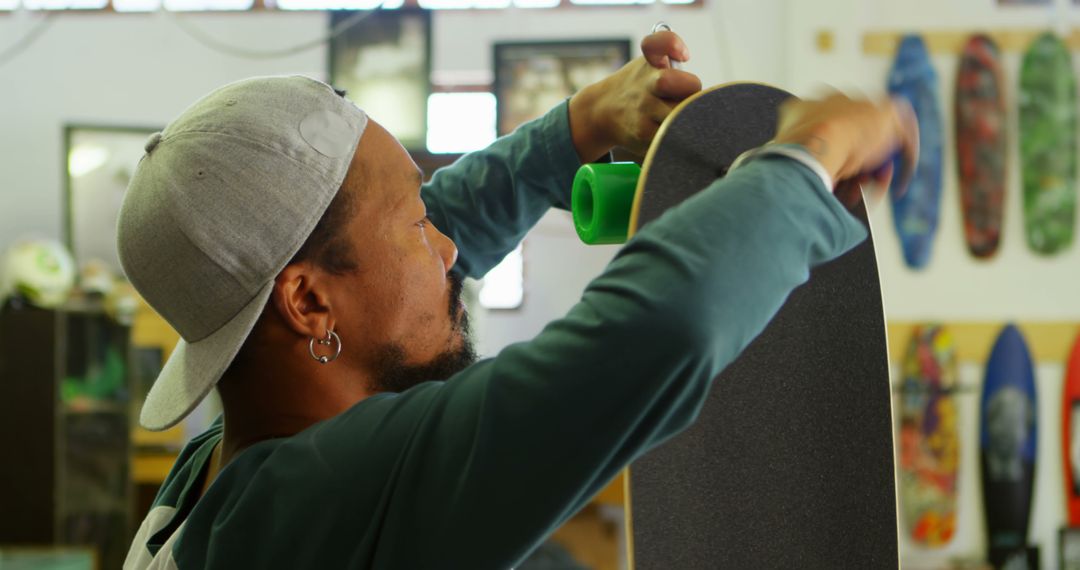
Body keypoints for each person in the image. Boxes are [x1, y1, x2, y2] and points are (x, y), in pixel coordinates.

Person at [119, 29, 916, 569]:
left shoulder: (219, 466)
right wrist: (809, 161)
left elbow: (393, 255)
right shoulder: (318, 507)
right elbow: (644, 338)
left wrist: (581, 124)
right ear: (307, 306)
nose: (449, 248)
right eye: (417, 222)